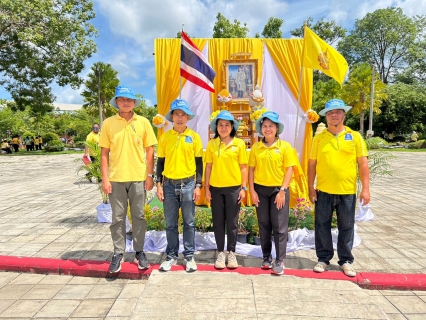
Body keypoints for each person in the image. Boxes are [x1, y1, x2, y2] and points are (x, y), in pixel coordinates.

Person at [308, 99, 370, 277]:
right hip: (323, 190)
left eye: (337, 111)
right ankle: (323, 258)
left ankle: (346, 261)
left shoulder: (355, 136)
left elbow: (363, 164)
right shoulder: (319, 139)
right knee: (322, 225)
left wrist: (366, 189)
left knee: (347, 226)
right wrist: (311, 188)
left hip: (347, 191)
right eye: (330, 112)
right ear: (326, 116)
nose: (333, 115)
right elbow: (312, 165)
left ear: (344, 114)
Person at [99, 85, 157, 273]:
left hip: (138, 177)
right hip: (116, 178)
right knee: (117, 218)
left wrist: (149, 175)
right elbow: (104, 153)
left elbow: (150, 150)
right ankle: (118, 253)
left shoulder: (143, 122)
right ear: (116, 101)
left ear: (134, 102)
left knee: (139, 216)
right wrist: (105, 179)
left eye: (129, 99)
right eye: (122, 99)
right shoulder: (108, 123)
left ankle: (139, 251)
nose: (125, 102)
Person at [156, 99, 203, 273]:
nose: (180, 118)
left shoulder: (194, 137)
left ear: (187, 117)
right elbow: (160, 162)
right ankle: (171, 256)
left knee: (189, 222)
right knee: (170, 223)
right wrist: (158, 184)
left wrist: (198, 185)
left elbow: (199, 163)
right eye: (177, 114)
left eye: (183, 114)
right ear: (172, 117)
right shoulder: (165, 137)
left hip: (189, 184)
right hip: (168, 184)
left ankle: (189, 256)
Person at [248, 111, 297, 275]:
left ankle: (280, 260)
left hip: (278, 190)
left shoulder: (285, 147)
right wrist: (252, 191)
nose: (268, 129)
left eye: (271, 126)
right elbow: (251, 170)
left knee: (280, 226)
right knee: (264, 225)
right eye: (265, 126)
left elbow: (289, 169)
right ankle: (266, 257)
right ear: (261, 129)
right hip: (260, 190)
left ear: (277, 128)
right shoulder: (256, 147)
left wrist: (282, 190)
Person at [205, 110, 248, 269]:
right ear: (216, 127)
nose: (223, 128)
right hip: (216, 188)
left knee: (232, 222)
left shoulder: (239, 144)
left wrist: (243, 188)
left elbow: (243, 168)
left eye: (227, 125)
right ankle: (220, 252)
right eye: (220, 125)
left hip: (234, 189)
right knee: (218, 222)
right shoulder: (211, 144)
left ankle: (231, 252)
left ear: (232, 127)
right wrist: (206, 187)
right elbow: (208, 167)